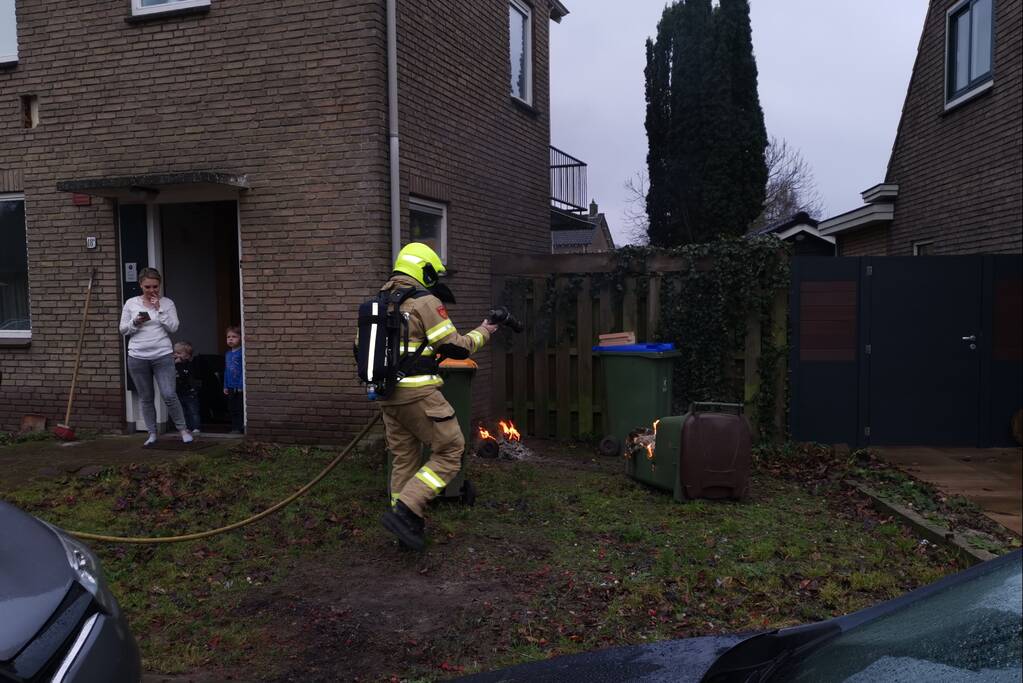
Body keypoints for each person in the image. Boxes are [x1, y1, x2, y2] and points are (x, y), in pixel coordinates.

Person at [377, 243, 498, 551]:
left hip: (388, 396)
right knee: (451, 450)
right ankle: (407, 509)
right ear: (424, 270)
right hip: (418, 394)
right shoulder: (424, 301)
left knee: (404, 458)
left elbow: (358, 350)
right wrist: (485, 330)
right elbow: (456, 348)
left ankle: (403, 526)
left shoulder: (379, 302)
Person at [118, 268, 193, 446]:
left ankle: (183, 430)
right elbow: (122, 329)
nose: (152, 290)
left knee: (169, 394)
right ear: (140, 285)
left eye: (155, 286)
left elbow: (173, 327)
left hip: (162, 355)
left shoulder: (167, 303)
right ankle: (152, 434)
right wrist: (134, 322)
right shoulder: (131, 303)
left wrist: (159, 310)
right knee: (146, 397)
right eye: (148, 287)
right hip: (137, 356)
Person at [173, 341, 202, 434]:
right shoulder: (174, 364)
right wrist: (174, 363)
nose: (176, 355)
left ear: (187, 355)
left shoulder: (191, 364)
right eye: (175, 353)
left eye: (179, 353)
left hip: (190, 392)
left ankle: (196, 427)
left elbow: (193, 375)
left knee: (193, 411)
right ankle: (187, 427)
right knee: (183, 411)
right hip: (179, 392)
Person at [223, 326, 244, 434]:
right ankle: (235, 427)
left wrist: (241, 385)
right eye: (228, 337)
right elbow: (226, 370)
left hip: (239, 386)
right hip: (230, 386)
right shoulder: (228, 354)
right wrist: (225, 385)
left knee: (240, 407)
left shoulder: (242, 353)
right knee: (232, 408)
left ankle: (240, 427)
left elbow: (243, 370)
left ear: (241, 338)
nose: (230, 339)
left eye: (234, 337)